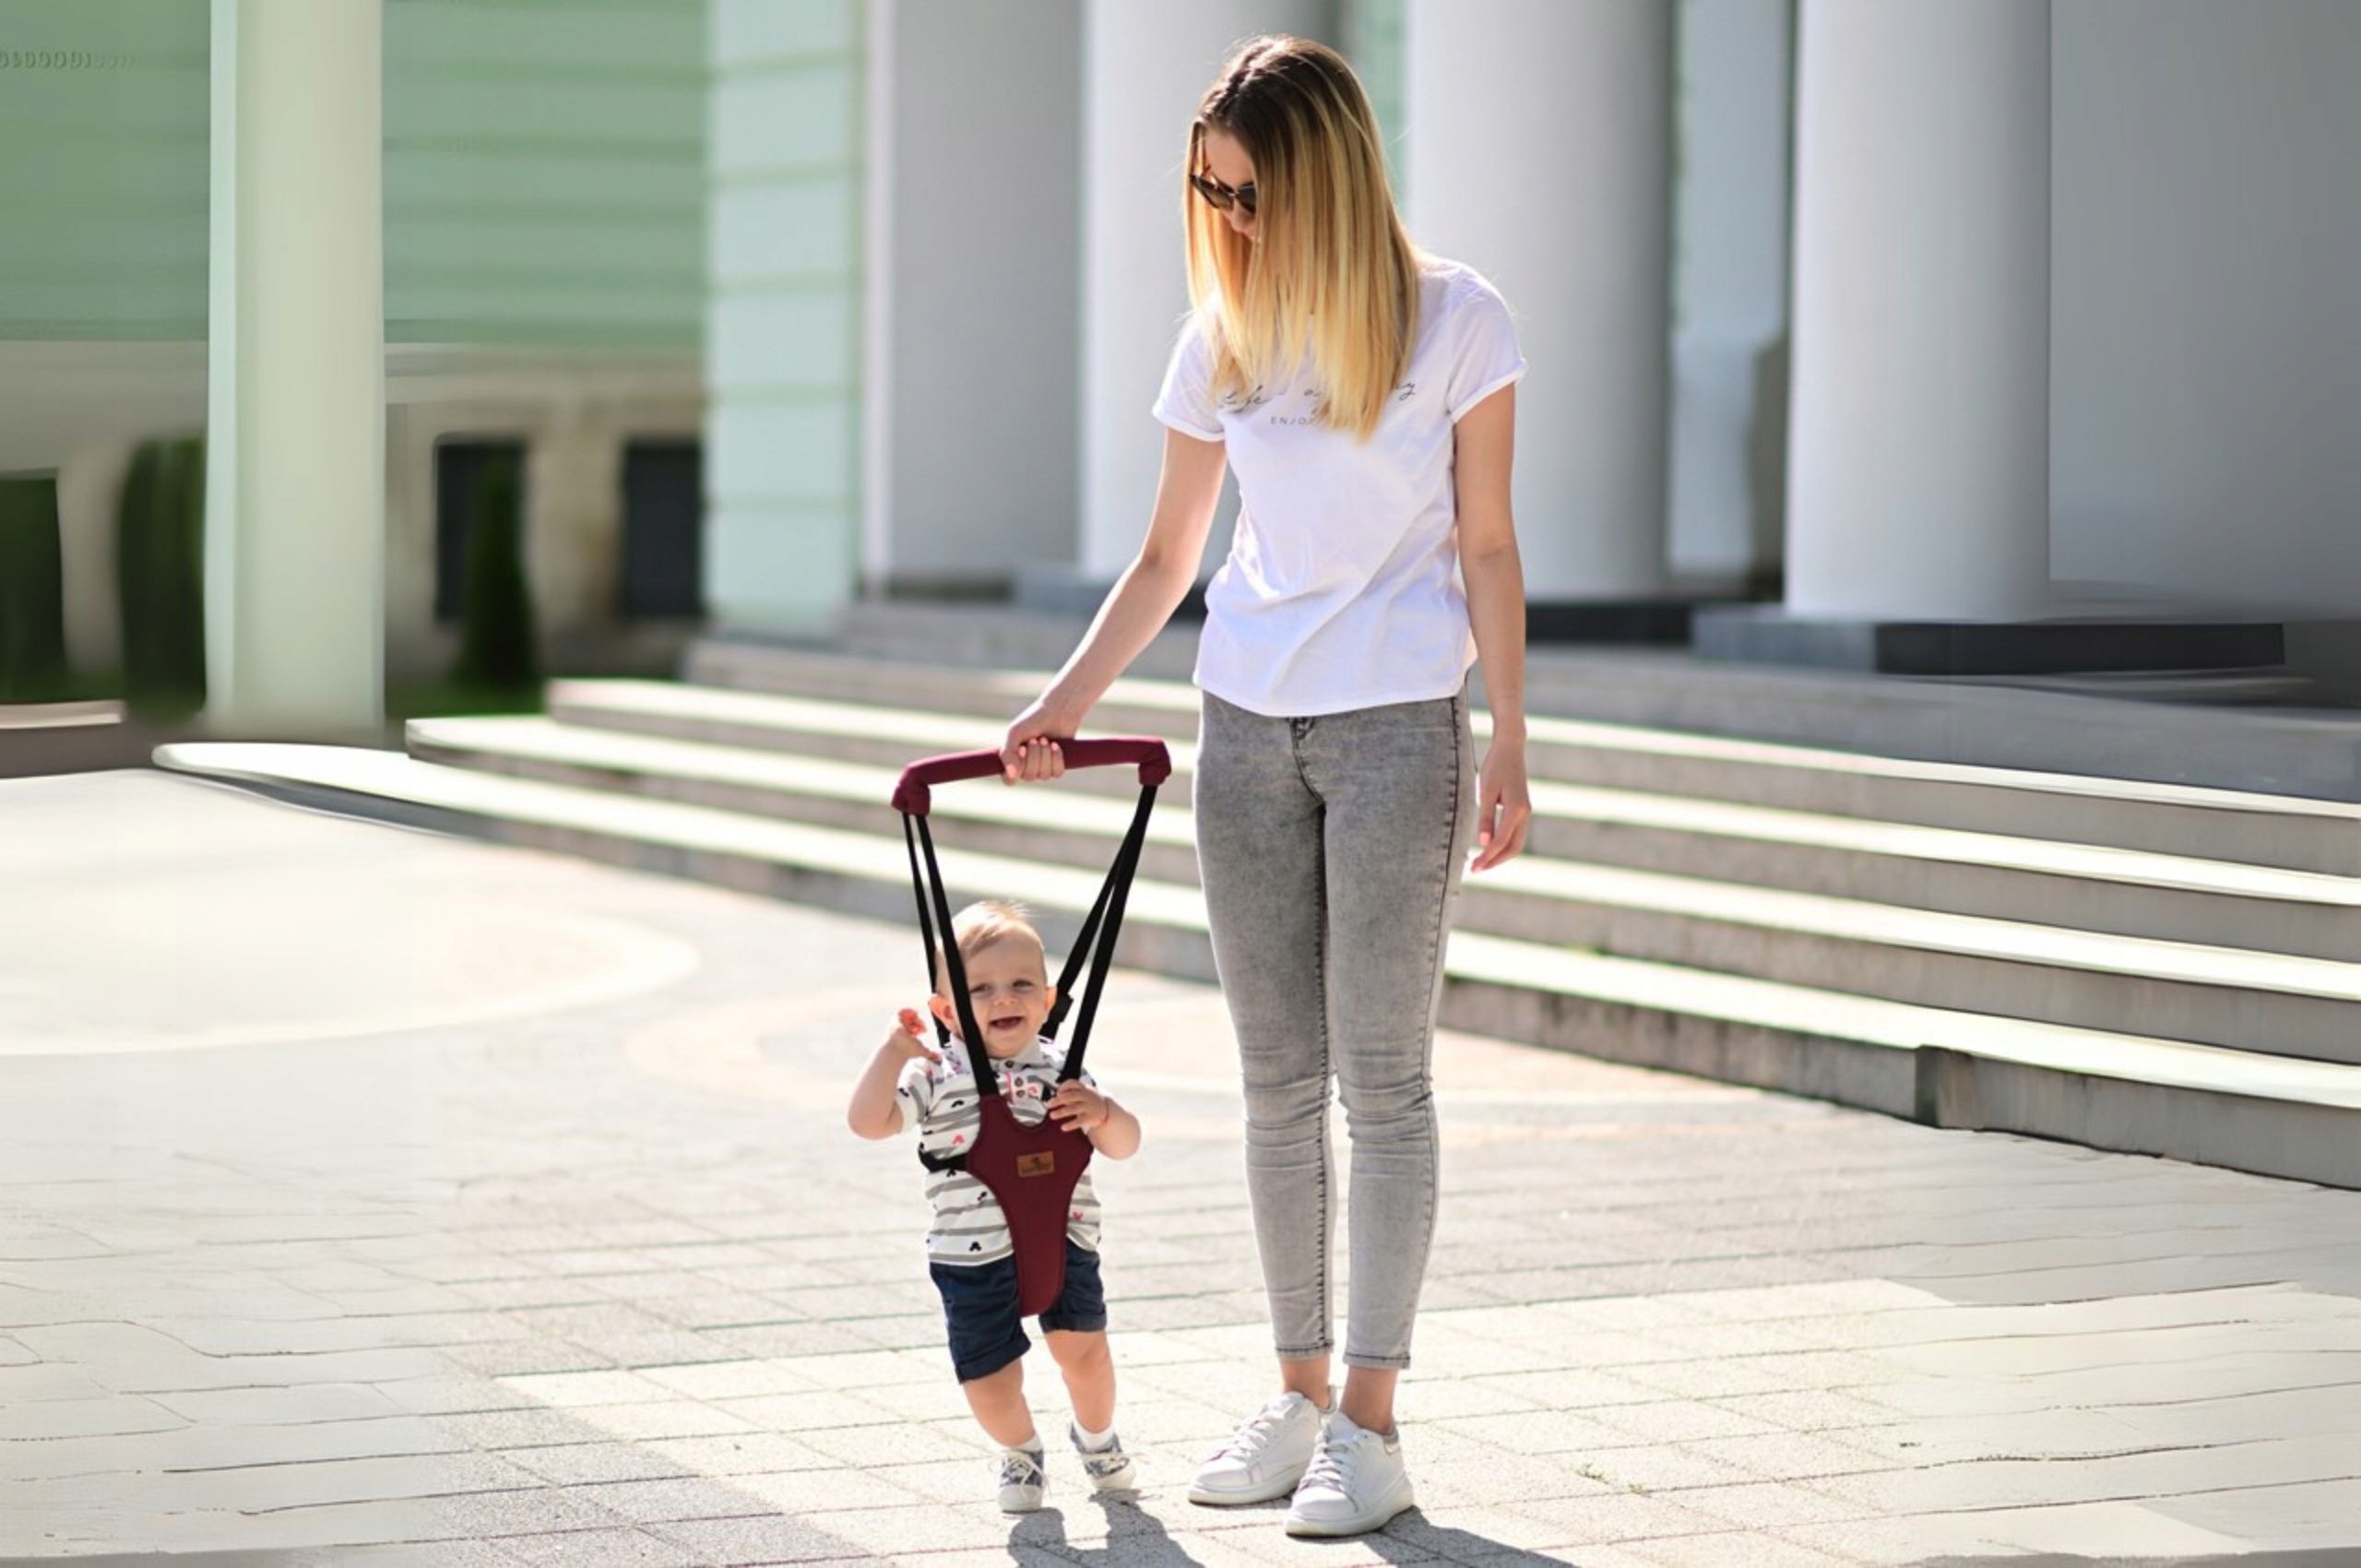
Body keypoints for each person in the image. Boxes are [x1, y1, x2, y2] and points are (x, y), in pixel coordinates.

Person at [998, 34, 1532, 1539]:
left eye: (1250, 191)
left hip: (1398, 732)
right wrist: (1059, 706)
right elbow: (1168, 555)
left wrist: (1510, 734)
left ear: (1326, 176)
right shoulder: (1219, 336)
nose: (1228, 219)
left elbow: (1490, 543)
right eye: (1210, 192)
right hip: (1245, 734)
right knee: (1277, 1083)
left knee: (1386, 1082)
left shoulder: (1460, 320)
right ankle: (1297, 1396)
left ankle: (1373, 1420)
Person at [845, 899, 1145, 1513]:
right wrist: (893, 1052)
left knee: (1085, 1352)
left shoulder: (1064, 1068)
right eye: (979, 989)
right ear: (946, 1011)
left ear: (1048, 1000)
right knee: (988, 1374)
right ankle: (1020, 1451)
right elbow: (868, 1123)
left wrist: (1103, 1113)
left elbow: (1124, 1145)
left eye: (1021, 985)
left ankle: (1097, 1437)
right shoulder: (938, 1074)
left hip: (1065, 1242)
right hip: (971, 1257)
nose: (1003, 998)